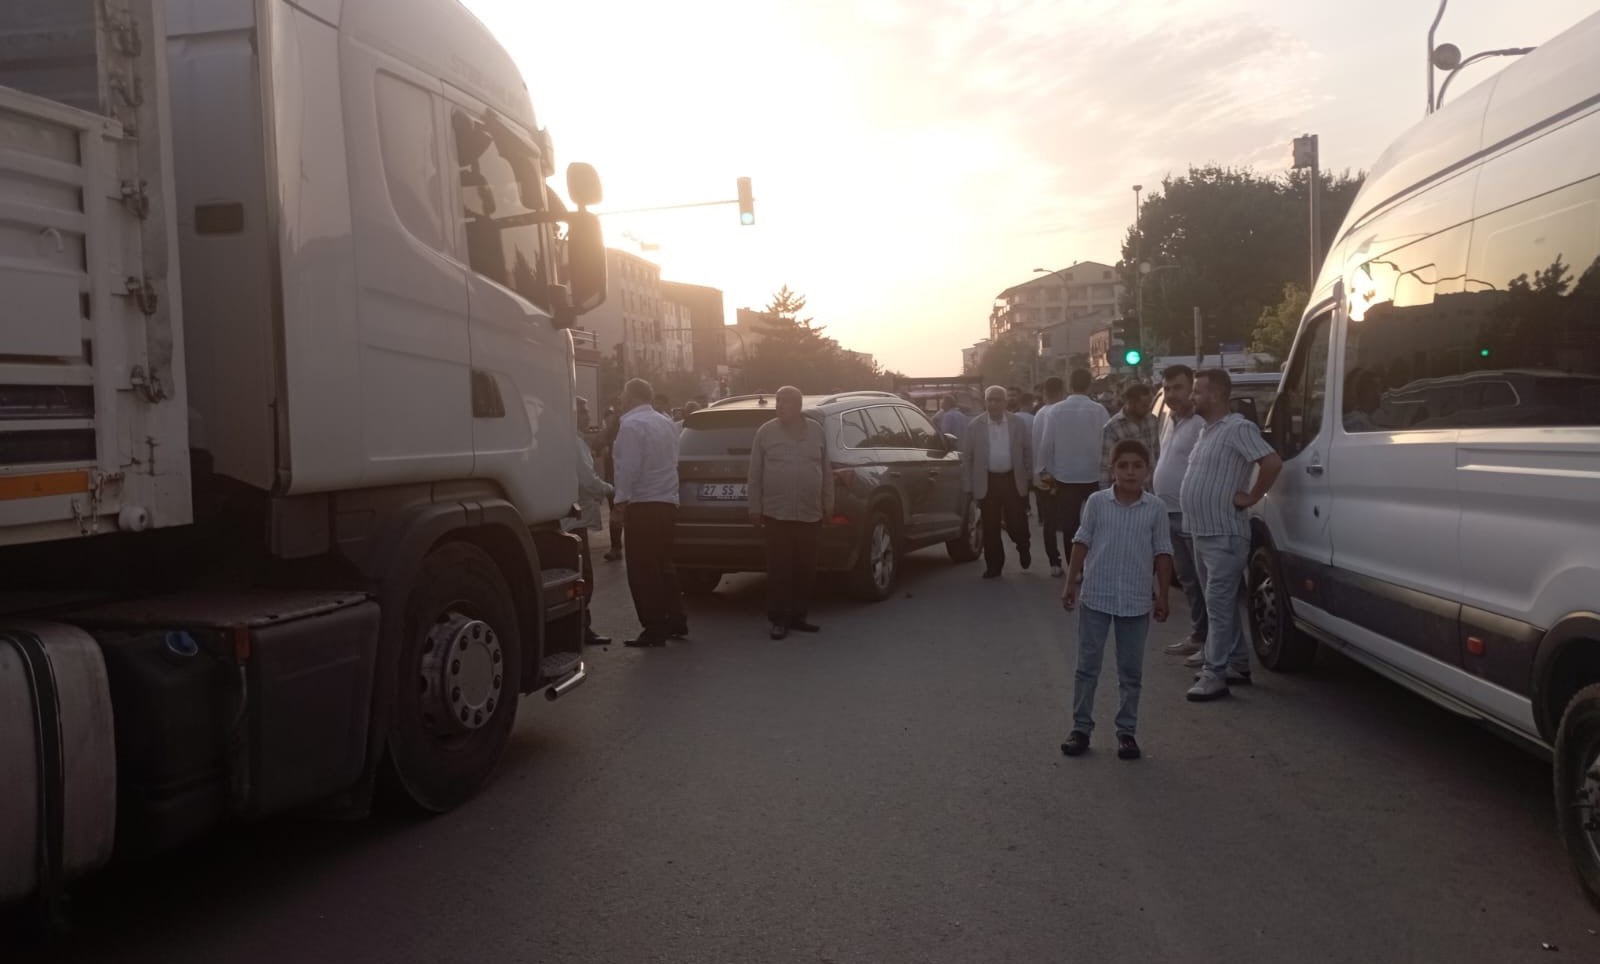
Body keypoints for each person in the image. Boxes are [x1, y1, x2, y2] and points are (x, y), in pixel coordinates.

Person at [1060, 439, 1173, 760]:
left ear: (1148, 470)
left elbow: (1163, 552)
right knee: (1087, 667)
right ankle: (1080, 728)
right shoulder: (1097, 503)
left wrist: (1163, 595)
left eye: (1137, 466)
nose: (1130, 472)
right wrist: (1070, 583)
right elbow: (1081, 541)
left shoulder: (1156, 508)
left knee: (1130, 671)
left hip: (1136, 601)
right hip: (1096, 596)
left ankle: (1127, 732)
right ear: (1112, 470)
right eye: (1123, 465)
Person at [1181, 369, 1284, 701]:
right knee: (1219, 603)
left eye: (1197, 391)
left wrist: (1252, 496)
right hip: (1202, 530)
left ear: (1215, 395)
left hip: (1224, 533)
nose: (1192, 397)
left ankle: (1215, 674)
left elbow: (1271, 462)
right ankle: (1237, 663)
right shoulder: (1208, 431)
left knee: (1218, 604)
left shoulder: (1238, 427)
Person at [747, 386, 833, 640]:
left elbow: (825, 470)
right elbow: (755, 473)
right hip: (777, 514)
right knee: (780, 569)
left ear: (798, 406)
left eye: (785, 402)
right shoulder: (766, 432)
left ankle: (798, 616)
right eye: (778, 402)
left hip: (810, 512)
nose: (780, 406)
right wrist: (755, 507)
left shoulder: (816, 431)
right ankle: (779, 619)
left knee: (806, 568)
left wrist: (828, 503)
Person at [614, 378, 687, 647]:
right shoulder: (666, 422)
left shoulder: (631, 425)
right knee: (664, 564)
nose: (621, 399)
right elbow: (673, 461)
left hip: (643, 504)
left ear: (632, 396)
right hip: (666, 502)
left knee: (643, 570)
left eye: (624, 394)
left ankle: (654, 627)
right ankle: (676, 620)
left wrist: (620, 502)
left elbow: (628, 468)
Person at [1152, 365, 1209, 657]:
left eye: (1178, 387)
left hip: (1191, 514)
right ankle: (1199, 636)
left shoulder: (1201, 424)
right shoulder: (1169, 420)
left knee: (1204, 582)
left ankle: (1212, 644)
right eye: (1167, 388)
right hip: (1168, 513)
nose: (1172, 394)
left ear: (1192, 390)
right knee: (1187, 579)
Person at [1036, 369, 1107, 578]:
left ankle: (1075, 570)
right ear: (1090, 385)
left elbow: (1046, 445)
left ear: (1069, 385)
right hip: (1094, 475)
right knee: (1098, 523)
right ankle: (1097, 566)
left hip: (1065, 477)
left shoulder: (1055, 411)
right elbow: (1107, 442)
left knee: (1070, 525)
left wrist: (1044, 471)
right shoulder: (1099, 410)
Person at [961, 385, 1033, 578]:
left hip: (1012, 480)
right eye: (990, 400)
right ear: (985, 402)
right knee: (991, 526)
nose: (993, 404)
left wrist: (1029, 477)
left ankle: (1023, 545)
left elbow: (1027, 451)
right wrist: (969, 486)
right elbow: (967, 458)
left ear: (1005, 402)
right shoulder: (975, 426)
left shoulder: (1017, 423)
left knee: (1016, 522)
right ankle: (994, 565)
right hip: (988, 482)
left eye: (997, 400)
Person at [564, 398, 613, 647]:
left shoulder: (562, 438)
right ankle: (581, 628)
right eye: (583, 411)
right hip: (573, 518)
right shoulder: (573, 442)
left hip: (564, 516)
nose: (587, 416)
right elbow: (587, 480)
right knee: (584, 577)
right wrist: (610, 490)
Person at [1101, 382, 1160, 488]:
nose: (1148, 409)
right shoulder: (1113, 428)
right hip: (1126, 488)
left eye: (1149, 405)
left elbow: (1157, 453)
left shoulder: (1152, 421)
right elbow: (1105, 466)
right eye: (1144, 406)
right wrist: (1105, 493)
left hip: (1152, 487)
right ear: (1130, 403)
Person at [601, 402, 625, 561]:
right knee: (615, 515)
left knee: (623, 514)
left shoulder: (627, 430)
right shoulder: (609, 433)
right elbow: (597, 443)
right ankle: (616, 547)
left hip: (624, 479)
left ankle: (619, 547)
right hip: (612, 479)